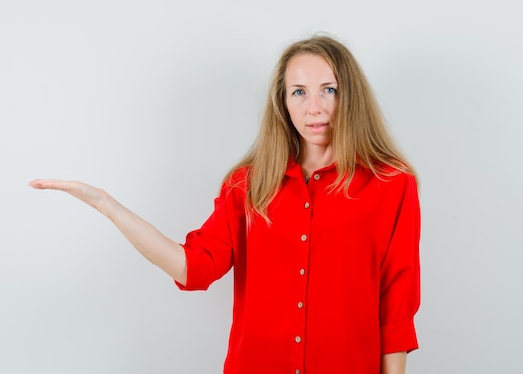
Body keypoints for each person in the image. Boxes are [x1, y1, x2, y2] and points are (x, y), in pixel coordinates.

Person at [29, 34, 421, 374]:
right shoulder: (248, 185)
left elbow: (396, 311)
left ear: (350, 96)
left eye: (328, 89)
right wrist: (106, 205)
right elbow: (193, 267)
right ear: (283, 102)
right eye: (298, 92)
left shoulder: (391, 184)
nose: (313, 107)